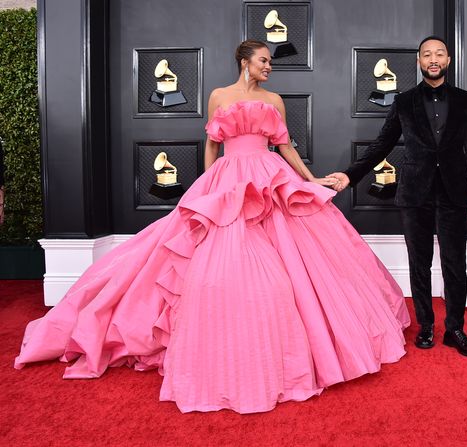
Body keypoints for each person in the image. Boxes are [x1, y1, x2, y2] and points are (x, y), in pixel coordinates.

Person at [15, 40, 410, 414]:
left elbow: (286, 145)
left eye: (270, 61)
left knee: (295, 257)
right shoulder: (219, 96)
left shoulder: (274, 101)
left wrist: (308, 180)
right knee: (210, 257)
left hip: (268, 176)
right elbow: (211, 145)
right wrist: (208, 185)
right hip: (227, 179)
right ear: (245, 62)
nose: (269, 66)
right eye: (263, 60)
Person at [328, 36, 467, 358]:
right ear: (419, 62)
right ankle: (426, 326)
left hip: (455, 192)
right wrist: (351, 174)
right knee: (419, 264)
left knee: (455, 264)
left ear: (448, 60)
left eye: (439, 54)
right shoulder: (404, 102)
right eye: (427, 54)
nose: (433, 59)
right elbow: (382, 144)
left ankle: (455, 329)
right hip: (415, 192)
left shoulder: (466, 100)